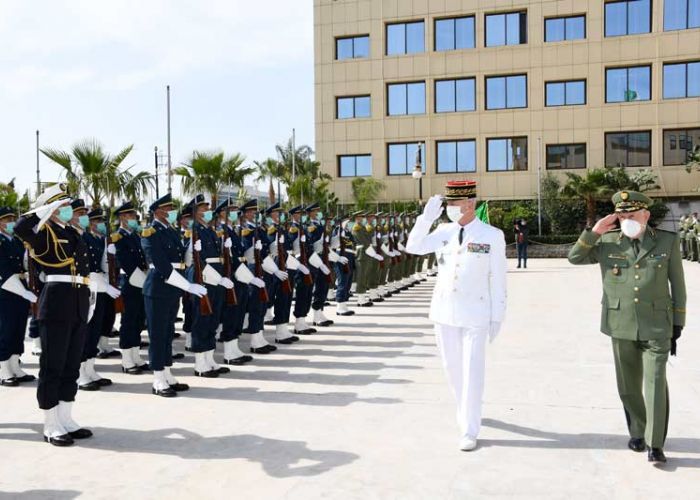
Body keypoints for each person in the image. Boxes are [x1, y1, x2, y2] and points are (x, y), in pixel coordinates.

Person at [568, 190, 686, 464]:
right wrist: (593, 231)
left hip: (657, 325)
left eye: (631, 215)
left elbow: (678, 286)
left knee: (655, 382)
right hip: (619, 323)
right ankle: (637, 432)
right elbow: (575, 258)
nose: (626, 220)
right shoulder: (608, 242)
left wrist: (678, 323)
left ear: (645, 214)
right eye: (621, 216)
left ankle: (656, 444)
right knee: (628, 386)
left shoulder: (667, 241)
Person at [406, 180, 507, 452]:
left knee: (472, 371)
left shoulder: (491, 235)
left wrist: (497, 315)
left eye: (454, 203)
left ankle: (468, 428)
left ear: (470, 203)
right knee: (453, 370)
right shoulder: (443, 230)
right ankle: (467, 410)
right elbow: (413, 247)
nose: (449, 208)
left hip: (476, 312)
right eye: (448, 203)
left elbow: (498, 278)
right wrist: (425, 218)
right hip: (444, 310)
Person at [14, 184, 94, 446]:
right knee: (53, 365)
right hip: (57, 299)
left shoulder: (73, 231)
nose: (70, 209)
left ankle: (66, 417)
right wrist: (43, 210)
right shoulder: (43, 231)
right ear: (52, 208)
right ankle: (51, 423)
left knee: (72, 363)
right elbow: (20, 228)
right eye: (63, 205)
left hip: (78, 299)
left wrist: (89, 297)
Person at [141, 193, 203, 397]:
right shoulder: (150, 233)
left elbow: (180, 261)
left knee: (167, 333)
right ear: (158, 212)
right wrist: (187, 286)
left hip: (172, 289)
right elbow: (162, 266)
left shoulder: (172, 231)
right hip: (158, 288)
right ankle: (158, 378)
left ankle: (167, 373)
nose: (172, 212)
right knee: (158, 334)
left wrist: (193, 250)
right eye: (169, 209)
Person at [110, 201, 149, 374]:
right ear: (122, 218)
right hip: (130, 282)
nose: (134, 218)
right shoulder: (118, 238)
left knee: (138, 320)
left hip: (141, 281)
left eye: (135, 215)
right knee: (128, 321)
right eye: (131, 216)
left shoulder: (135, 236)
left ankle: (136, 355)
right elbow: (126, 263)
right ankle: (126, 359)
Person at [0, 206, 37, 386]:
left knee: (18, 330)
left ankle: (15, 366)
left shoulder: (15, 241)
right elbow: (4, 272)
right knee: (5, 331)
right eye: (6, 219)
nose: (10, 222)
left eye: (12, 219)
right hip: (6, 291)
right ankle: (4, 370)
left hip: (20, 290)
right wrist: (23, 291)